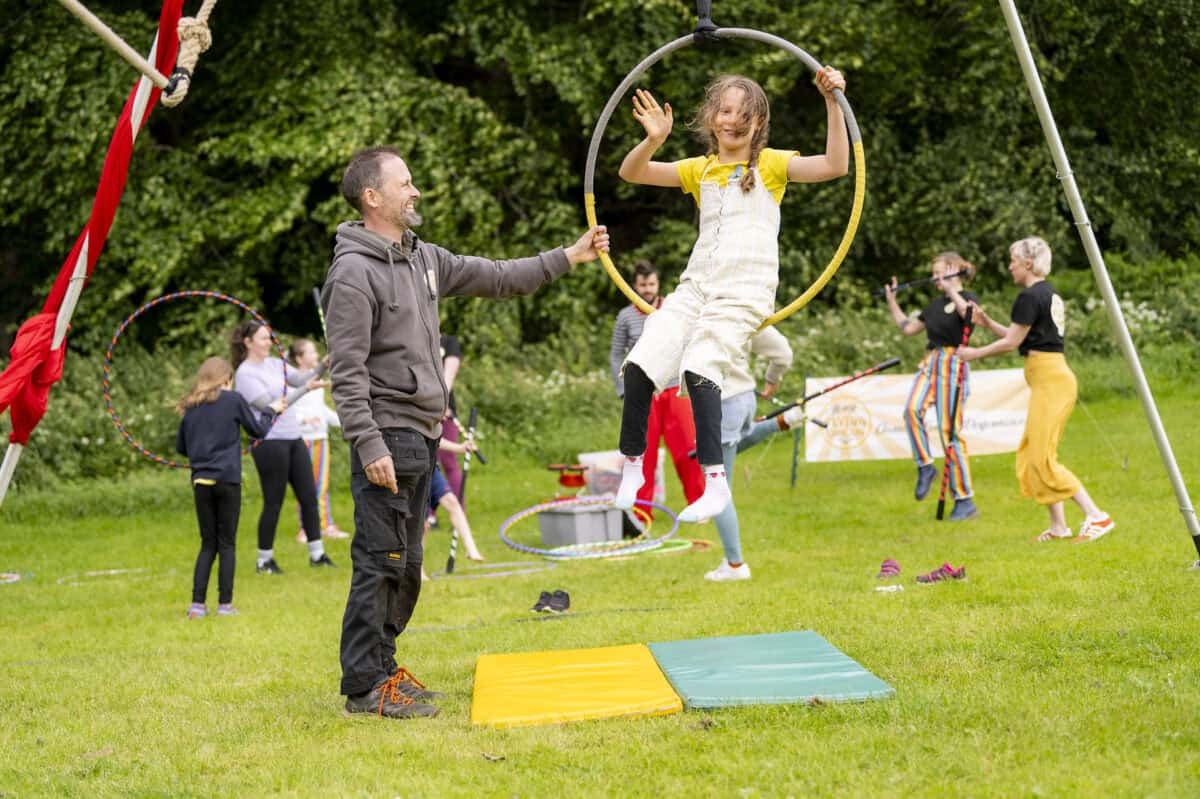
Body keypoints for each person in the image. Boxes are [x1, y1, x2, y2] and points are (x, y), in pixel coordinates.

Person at [322, 146, 608, 720]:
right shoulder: (352, 273)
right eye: (405, 184)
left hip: (424, 433)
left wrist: (568, 257)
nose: (416, 191)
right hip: (389, 433)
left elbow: (497, 277)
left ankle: (383, 668)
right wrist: (369, 442)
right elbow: (346, 374)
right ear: (372, 197)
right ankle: (365, 688)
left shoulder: (424, 258)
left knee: (405, 567)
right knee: (380, 561)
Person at [612, 70, 849, 523]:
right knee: (644, 356)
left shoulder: (773, 165)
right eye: (725, 110)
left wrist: (832, 101)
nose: (733, 120)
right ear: (711, 118)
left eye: (744, 113)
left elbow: (835, 166)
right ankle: (632, 465)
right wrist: (654, 140)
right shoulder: (700, 168)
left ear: (759, 122)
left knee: (700, 363)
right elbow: (632, 172)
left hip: (743, 290)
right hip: (696, 286)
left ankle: (714, 482)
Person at [959, 236, 1115, 542]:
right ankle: (1058, 526)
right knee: (1034, 452)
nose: (1009, 267)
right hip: (1051, 378)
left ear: (1028, 264)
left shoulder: (1030, 296)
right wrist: (989, 323)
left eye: (1013, 261)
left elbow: (1012, 343)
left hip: (1052, 381)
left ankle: (1097, 516)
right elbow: (1021, 336)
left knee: (1042, 457)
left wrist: (974, 354)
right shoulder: (1046, 292)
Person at [175, 356, 284, 618]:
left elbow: (181, 448)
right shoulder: (233, 400)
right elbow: (258, 430)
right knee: (226, 544)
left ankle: (197, 605)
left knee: (207, 543)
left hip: (201, 481)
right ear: (227, 379)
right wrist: (272, 410)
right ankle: (225, 605)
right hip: (227, 479)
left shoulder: (192, 406)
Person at [232, 320, 336, 574]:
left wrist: (323, 364)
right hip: (268, 442)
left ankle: (317, 554)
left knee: (309, 497)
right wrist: (304, 390)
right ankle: (264, 560)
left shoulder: (276, 364)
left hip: (293, 437)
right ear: (248, 342)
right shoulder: (245, 374)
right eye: (263, 338)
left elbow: (302, 378)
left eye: (269, 337)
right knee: (273, 502)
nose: (269, 342)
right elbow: (270, 405)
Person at [883, 252, 980, 520]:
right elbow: (907, 328)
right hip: (931, 361)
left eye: (938, 272)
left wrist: (953, 291)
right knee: (911, 410)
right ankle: (925, 465)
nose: (934, 277)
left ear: (952, 270)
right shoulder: (934, 306)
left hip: (954, 363)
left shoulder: (969, 298)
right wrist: (892, 301)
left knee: (950, 433)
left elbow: (969, 317)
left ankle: (964, 499)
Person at [609, 259, 704, 521]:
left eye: (651, 284)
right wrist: (624, 390)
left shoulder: (675, 311)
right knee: (643, 455)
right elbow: (616, 355)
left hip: (675, 390)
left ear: (658, 284)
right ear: (635, 286)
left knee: (688, 451)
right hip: (645, 394)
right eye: (643, 285)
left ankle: (699, 505)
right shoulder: (625, 317)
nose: (648, 289)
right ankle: (641, 515)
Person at [705, 326, 794, 581]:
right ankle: (779, 422)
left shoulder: (692, 308)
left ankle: (735, 566)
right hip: (745, 399)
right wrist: (773, 378)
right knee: (722, 457)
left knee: (717, 485)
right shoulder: (743, 306)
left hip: (721, 403)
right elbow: (783, 353)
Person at [288, 338, 350, 541]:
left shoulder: (318, 382)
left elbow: (321, 410)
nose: (316, 356)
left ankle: (325, 524)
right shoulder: (291, 381)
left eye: (316, 352)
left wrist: (345, 421)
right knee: (305, 485)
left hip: (320, 439)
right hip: (302, 440)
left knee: (321, 484)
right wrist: (303, 419)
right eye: (311, 352)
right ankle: (306, 528)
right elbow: (286, 408)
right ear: (299, 358)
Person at [434, 333, 465, 503]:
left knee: (447, 459)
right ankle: (429, 514)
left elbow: (449, 375)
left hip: (446, 411)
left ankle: (459, 509)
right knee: (428, 463)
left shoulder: (449, 342)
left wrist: (440, 401)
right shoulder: (416, 338)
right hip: (421, 410)